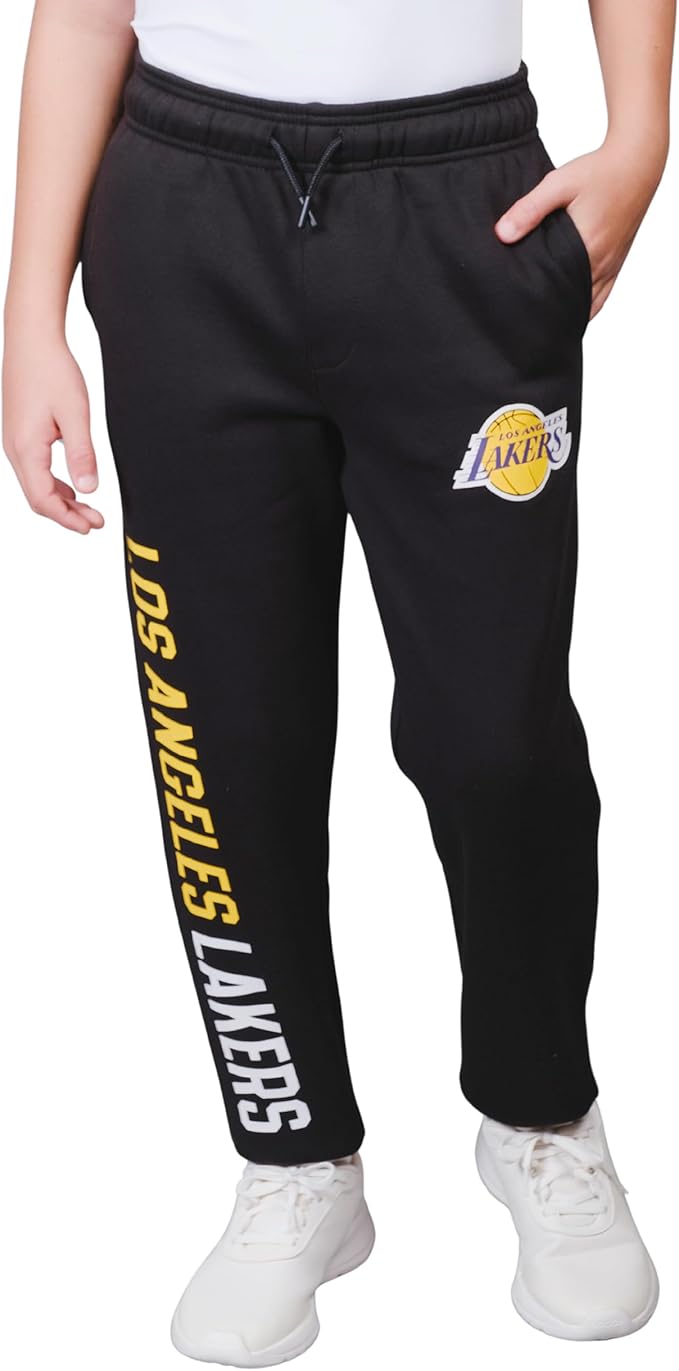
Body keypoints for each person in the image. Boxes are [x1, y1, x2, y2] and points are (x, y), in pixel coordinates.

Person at [2, 0, 673, 1361]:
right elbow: (81, 15)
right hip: (186, 219)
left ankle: (542, 1114)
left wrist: (640, 137)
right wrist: (30, 319)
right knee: (221, 738)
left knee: (498, 737)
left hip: (462, 208)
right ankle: (293, 1151)